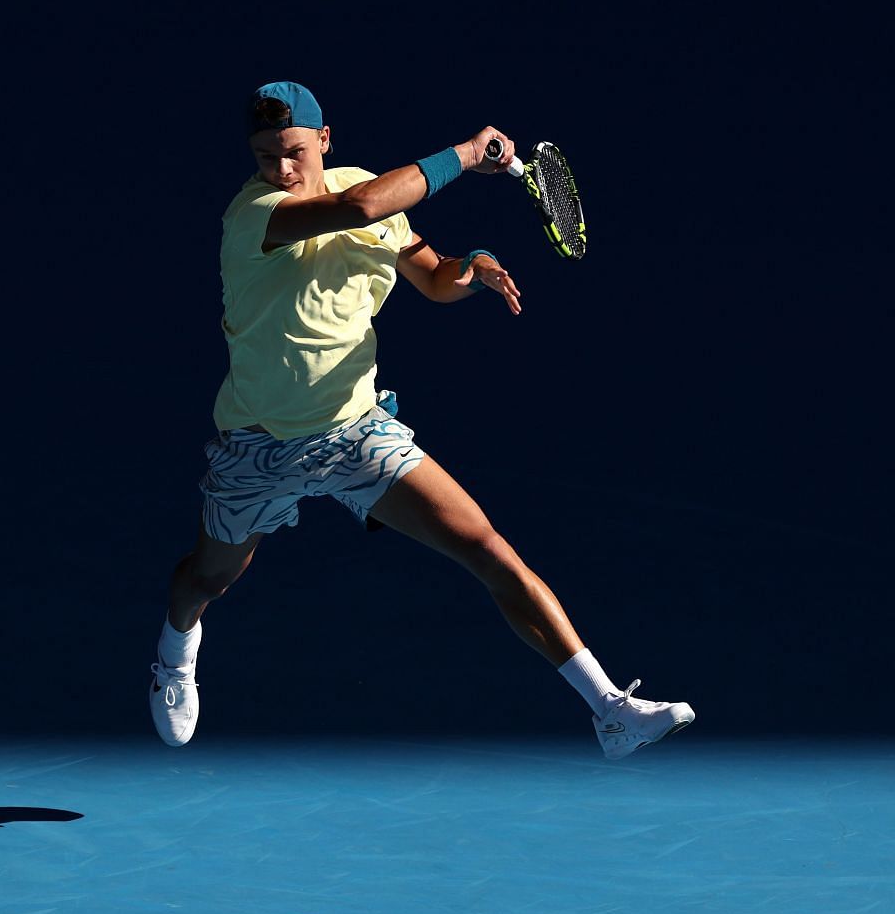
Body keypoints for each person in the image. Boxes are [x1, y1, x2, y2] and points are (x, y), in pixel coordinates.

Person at [148, 80, 693, 759]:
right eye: (265, 156)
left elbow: (433, 276)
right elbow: (360, 205)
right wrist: (466, 153)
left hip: (354, 430)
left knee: (486, 548)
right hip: (259, 444)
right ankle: (175, 654)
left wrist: (476, 265)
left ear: (325, 139)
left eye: (292, 151)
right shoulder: (256, 213)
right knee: (209, 578)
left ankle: (611, 710)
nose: (281, 169)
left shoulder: (372, 192)